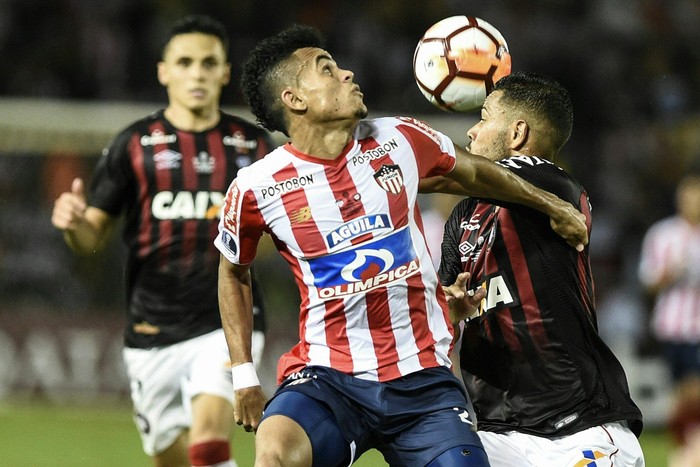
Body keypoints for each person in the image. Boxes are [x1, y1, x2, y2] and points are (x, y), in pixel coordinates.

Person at [215, 25, 588, 467]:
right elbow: (232, 270)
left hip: (424, 382)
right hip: (327, 379)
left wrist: (552, 205)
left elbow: (474, 172)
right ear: (295, 99)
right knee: (276, 449)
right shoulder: (256, 187)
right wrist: (243, 375)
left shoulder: (398, 138)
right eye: (328, 71)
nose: (348, 74)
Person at [51, 15, 275, 467]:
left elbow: (276, 237)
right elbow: (92, 234)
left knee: (209, 443)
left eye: (209, 63)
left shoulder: (253, 147)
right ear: (164, 71)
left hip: (225, 320)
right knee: (168, 457)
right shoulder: (132, 145)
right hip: (151, 326)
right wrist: (73, 223)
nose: (197, 73)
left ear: (225, 73)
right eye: (186, 62)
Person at [438, 71, 645, 466]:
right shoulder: (464, 215)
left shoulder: (552, 185)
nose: (471, 132)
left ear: (517, 134)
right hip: (497, 434)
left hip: (577, 426)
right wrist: (448, 305)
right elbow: (444, 307)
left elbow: (453, 171)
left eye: (483, 117)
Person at [638, 174, 700, 465]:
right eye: (688, 196)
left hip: (697, 329)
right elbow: (647, 282)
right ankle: (685, 449)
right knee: (679, 393)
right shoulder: (662, 234)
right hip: (671, 326)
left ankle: (690, 448)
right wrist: (668, 275)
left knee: (693, 389)